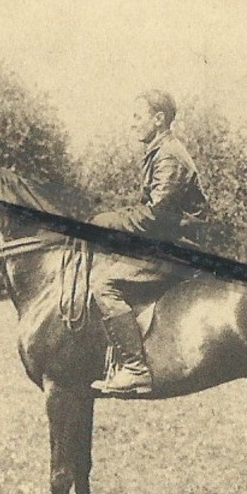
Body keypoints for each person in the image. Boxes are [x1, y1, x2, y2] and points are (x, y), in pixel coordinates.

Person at [88, 90, 210, 396]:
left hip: (179, 249)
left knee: (105, 284)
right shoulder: (161, 151)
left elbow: (156, 217)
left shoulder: (169, 155)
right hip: (169, 242)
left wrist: (108, 221)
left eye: (137, 117)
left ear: (158, 120)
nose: (131, 124)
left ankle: (135, 369)